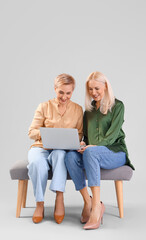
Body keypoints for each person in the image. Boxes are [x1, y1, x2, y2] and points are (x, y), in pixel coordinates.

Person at [65, 71, 134, 230]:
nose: (93, 92)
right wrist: (82, 145)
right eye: (90, 89)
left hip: (115, 152)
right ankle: (87, 201)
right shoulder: (88, 111)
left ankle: (96, 207)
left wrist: (92, 148)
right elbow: (87, 138)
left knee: (91, 152)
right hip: (92, 153)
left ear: (106, 86)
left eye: (97, 88)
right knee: (70, 157)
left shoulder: (118, 106)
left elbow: (112, 136)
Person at [28, 73, 83, 224]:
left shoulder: (78, 110)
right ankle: (40, 203)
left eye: (68, 93)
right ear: (55, 89)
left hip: (61, 149)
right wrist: (46, 134)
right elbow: (31, 132)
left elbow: (79, 135)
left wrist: (71, 141)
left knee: (60, 155)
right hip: (41, 147)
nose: (64, 96)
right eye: (61, 92)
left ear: (72, 92)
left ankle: (60, 197)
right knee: (36, 163)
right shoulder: (44, 106)